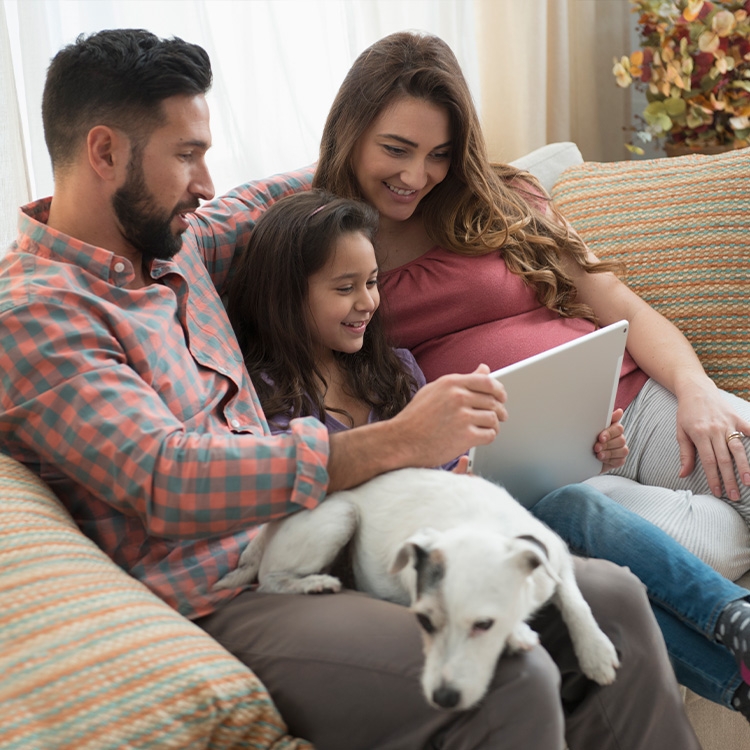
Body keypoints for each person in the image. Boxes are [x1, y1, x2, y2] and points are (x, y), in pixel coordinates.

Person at [0, 28, 699, 750]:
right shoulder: (38, 314)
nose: (205, 182)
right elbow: (164, 475)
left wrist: (425, 162)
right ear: (104, 152)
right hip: (232, 594)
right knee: (504, 679)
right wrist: (397, 439)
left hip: (334, 533)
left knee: (609, 599)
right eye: (185, 156)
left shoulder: (184, 246)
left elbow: (320, 178)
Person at [311, 29, 750, 718]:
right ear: (349, 133)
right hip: (542, 483)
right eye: (396, 150)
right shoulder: (324, 243)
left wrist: (696, 392)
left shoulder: (502, 197)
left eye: (439, 155)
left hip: (633, 406)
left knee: (738, 464)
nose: (416, 175)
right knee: (714, 548)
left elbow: (620, 305)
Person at [228, 178, 750, 721]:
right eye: (345, 288)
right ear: (289, 295)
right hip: (408, 558)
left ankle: (738, 659)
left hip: (471, 521)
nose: (368, 303)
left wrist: (560, 452)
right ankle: (734, 628)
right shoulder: (266, 401)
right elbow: (299, 490)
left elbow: (442, 472)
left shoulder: (394, 369)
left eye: (374, 282)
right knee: (586, 567)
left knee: (577, 506)